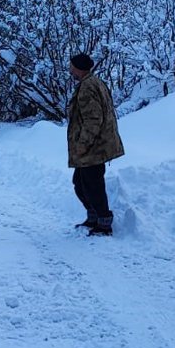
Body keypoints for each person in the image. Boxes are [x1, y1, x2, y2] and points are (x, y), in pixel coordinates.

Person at [67, 53, 124, 235]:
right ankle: (94, 217)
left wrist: (83, 144)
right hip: (97, 144)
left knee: (92, 184)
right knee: (81, 182)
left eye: (71, 67)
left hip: (93, 147)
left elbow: (93, 119)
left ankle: (104, 223)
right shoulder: (94, 82)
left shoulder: (87, 87)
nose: (70, 70)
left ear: (79, 68)